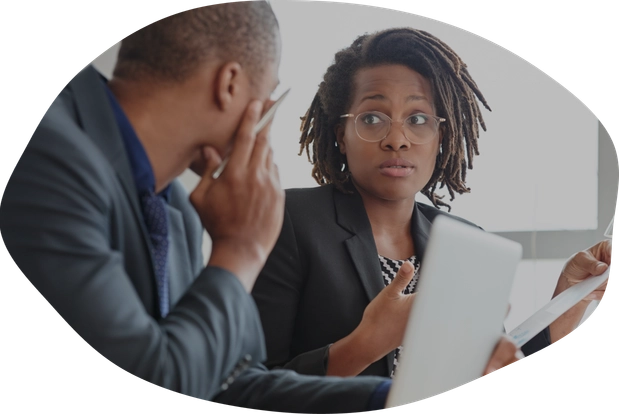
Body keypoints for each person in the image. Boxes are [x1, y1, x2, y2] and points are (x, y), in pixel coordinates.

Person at [0, 3, 497, 412]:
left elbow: (228, 382)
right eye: (271, 95)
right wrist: (240, 249)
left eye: (418, 120)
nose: (397, 140)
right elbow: (161, 375)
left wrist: (403, 398)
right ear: (230, 85)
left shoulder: (174, 205)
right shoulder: (44, 157)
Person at [250, 27, 613, 379]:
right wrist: (369, 342)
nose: (397, 139)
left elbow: (493, 365)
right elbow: (249, 386)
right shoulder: (287, 220)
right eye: (372, 118)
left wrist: (570, 297)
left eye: (418, 119)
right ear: (341, 136)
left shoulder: (469, 243)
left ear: (441, 137)